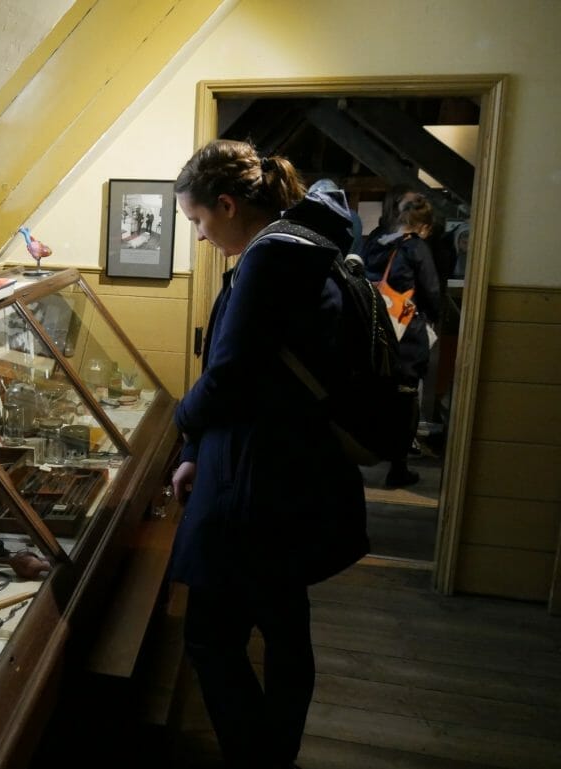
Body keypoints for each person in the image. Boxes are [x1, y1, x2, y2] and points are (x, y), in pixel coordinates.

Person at [170, 139, 366, 769]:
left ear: (227, 205)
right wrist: (198, 447)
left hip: (256, 481)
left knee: (210, 635)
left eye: (199, 221)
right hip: (286, 468)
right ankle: (273, 754)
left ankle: (259, 757)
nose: (200, 237)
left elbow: (230, 374)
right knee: (283, 626)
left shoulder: (270, 260)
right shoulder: (303, 245)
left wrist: (182, 424)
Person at [361, 193, 441, 487]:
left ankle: (368, 453)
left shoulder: (376, 242)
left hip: (372, 330)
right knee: (405, 398)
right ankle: (398, 467)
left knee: (375, 394)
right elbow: (431, 292)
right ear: (424, 226)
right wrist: (433, 318)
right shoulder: (416, 248)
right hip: (405, 335)